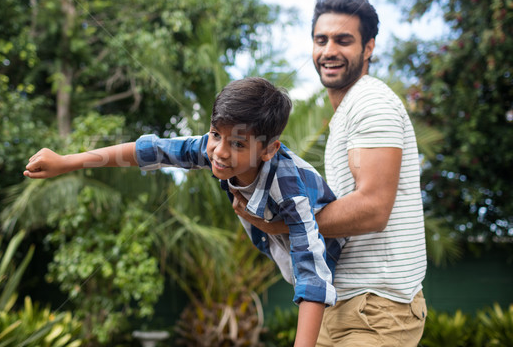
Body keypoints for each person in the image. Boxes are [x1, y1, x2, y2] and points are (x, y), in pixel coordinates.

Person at [24, 77, 346, 347]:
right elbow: (149, 151)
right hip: (284, 252)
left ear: (269, 149)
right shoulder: (210, 148)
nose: (219, 152)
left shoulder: (289, 190)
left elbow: (313, 275)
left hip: (336, 264)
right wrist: (66, 161)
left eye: (237, 145)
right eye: (216, 134)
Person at [232, 0, 427, 346]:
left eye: (343, 40)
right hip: (339, 303)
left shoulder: (371, 103)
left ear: (368, 48)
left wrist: (280, 225)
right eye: (321, 40)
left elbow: (373, 208)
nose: (329, 50)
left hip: (377, 309)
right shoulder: (347, 112)